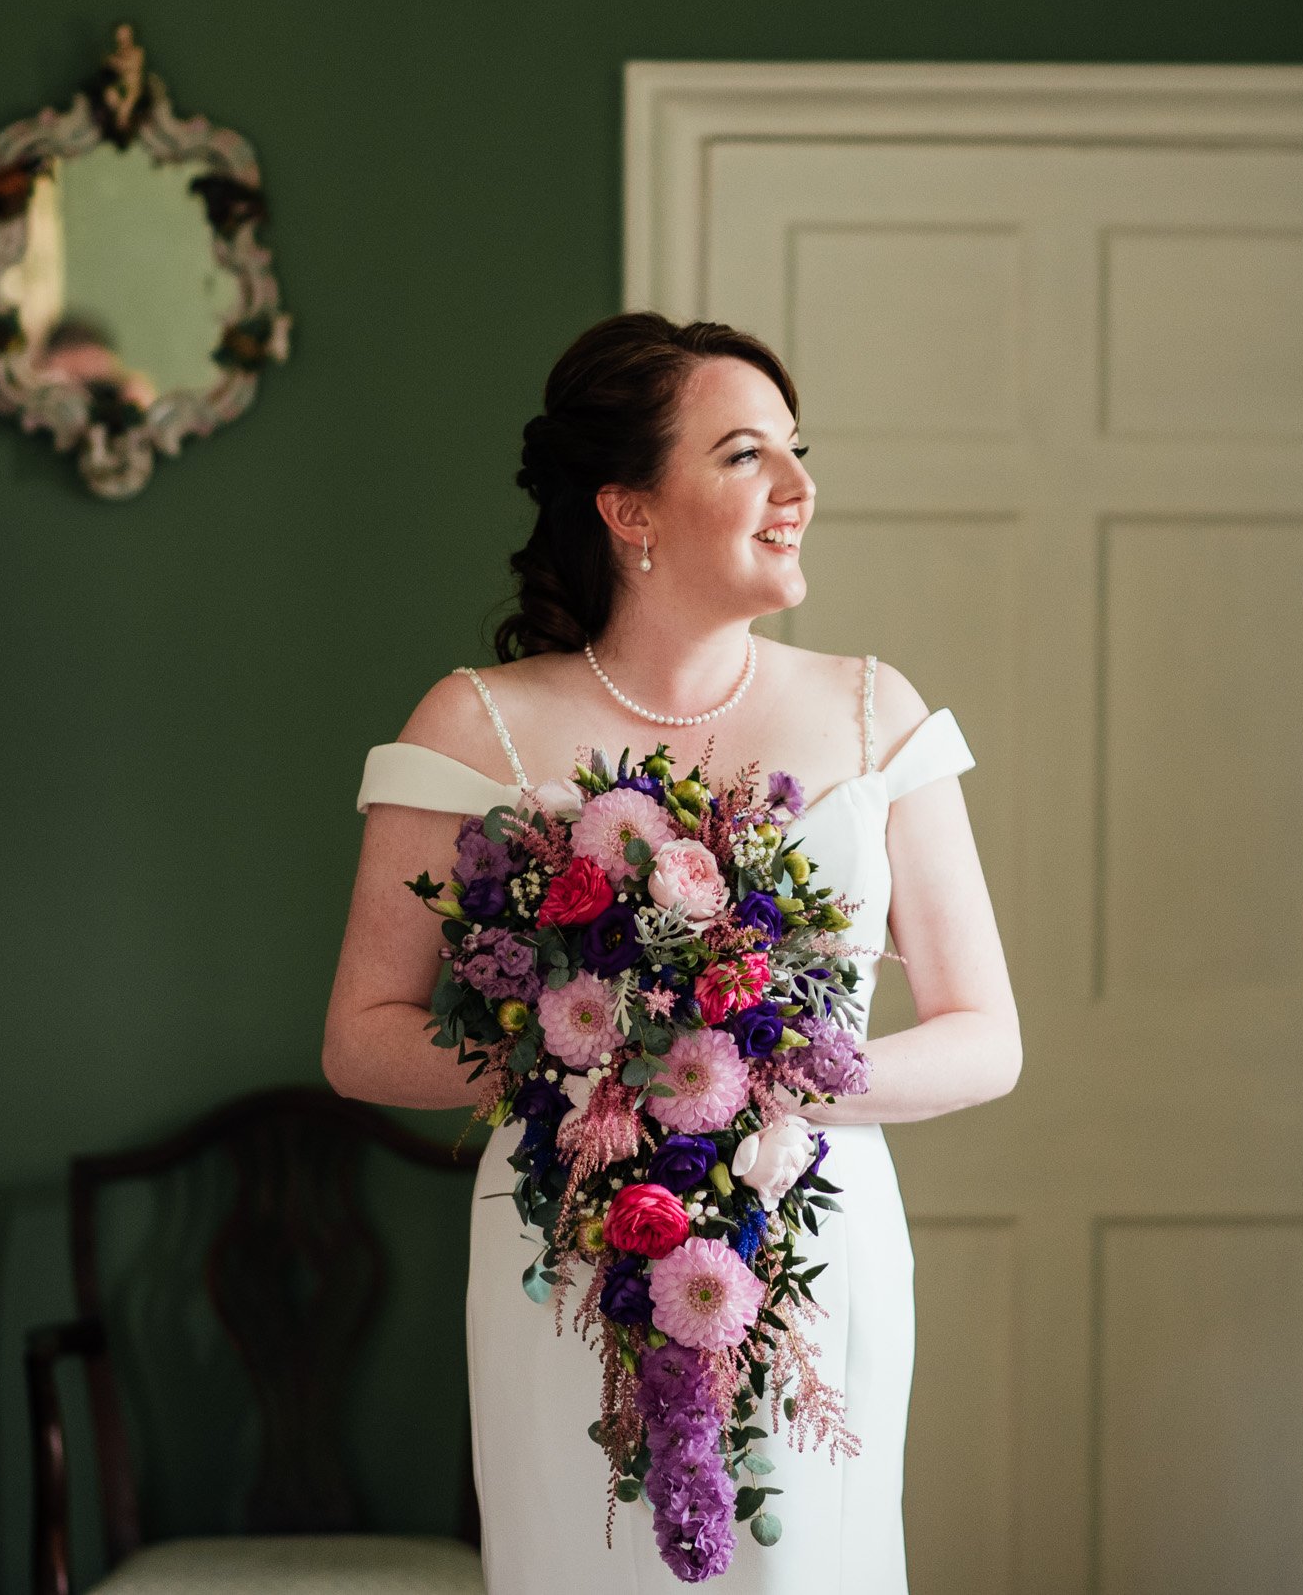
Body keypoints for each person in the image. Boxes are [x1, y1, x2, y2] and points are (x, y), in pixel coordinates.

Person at [324, 313, 1021, 1592]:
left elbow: (988, 1034)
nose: (799, 489)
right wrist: (583, 1063)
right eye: (748, 454)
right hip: (570, 1260)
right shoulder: (479, 722)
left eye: (796, 453)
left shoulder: (877, 711)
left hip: (816, 1253)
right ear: (629, 509)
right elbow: (362, 1034)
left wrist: (749, 1068)